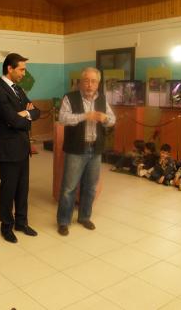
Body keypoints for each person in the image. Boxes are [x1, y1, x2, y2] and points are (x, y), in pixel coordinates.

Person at [56, 67, 116, 236]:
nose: (90, 84)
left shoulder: (102, 99)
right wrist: (85, 116)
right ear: (81, 82)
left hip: (95, 149)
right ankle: (63, 221)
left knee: (90, 187)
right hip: (75, 149)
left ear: (98, 83)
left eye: (93, 81)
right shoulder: (70, 97)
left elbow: (112, 119)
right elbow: (63, 118)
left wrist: (105, 119)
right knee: (69, 188)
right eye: (86, 80)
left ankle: (84, 217)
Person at [0, 53, 40, 243]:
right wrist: (26, 118)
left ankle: (21, 222)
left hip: (22, 147)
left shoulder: (17, 89)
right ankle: (6, 226)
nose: (24, 73)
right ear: (9, 68)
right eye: (21, 69)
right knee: (8, 189)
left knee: (23, 188)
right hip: (8, 149)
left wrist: (25, 113)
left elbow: (37, 111)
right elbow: (11, 120)